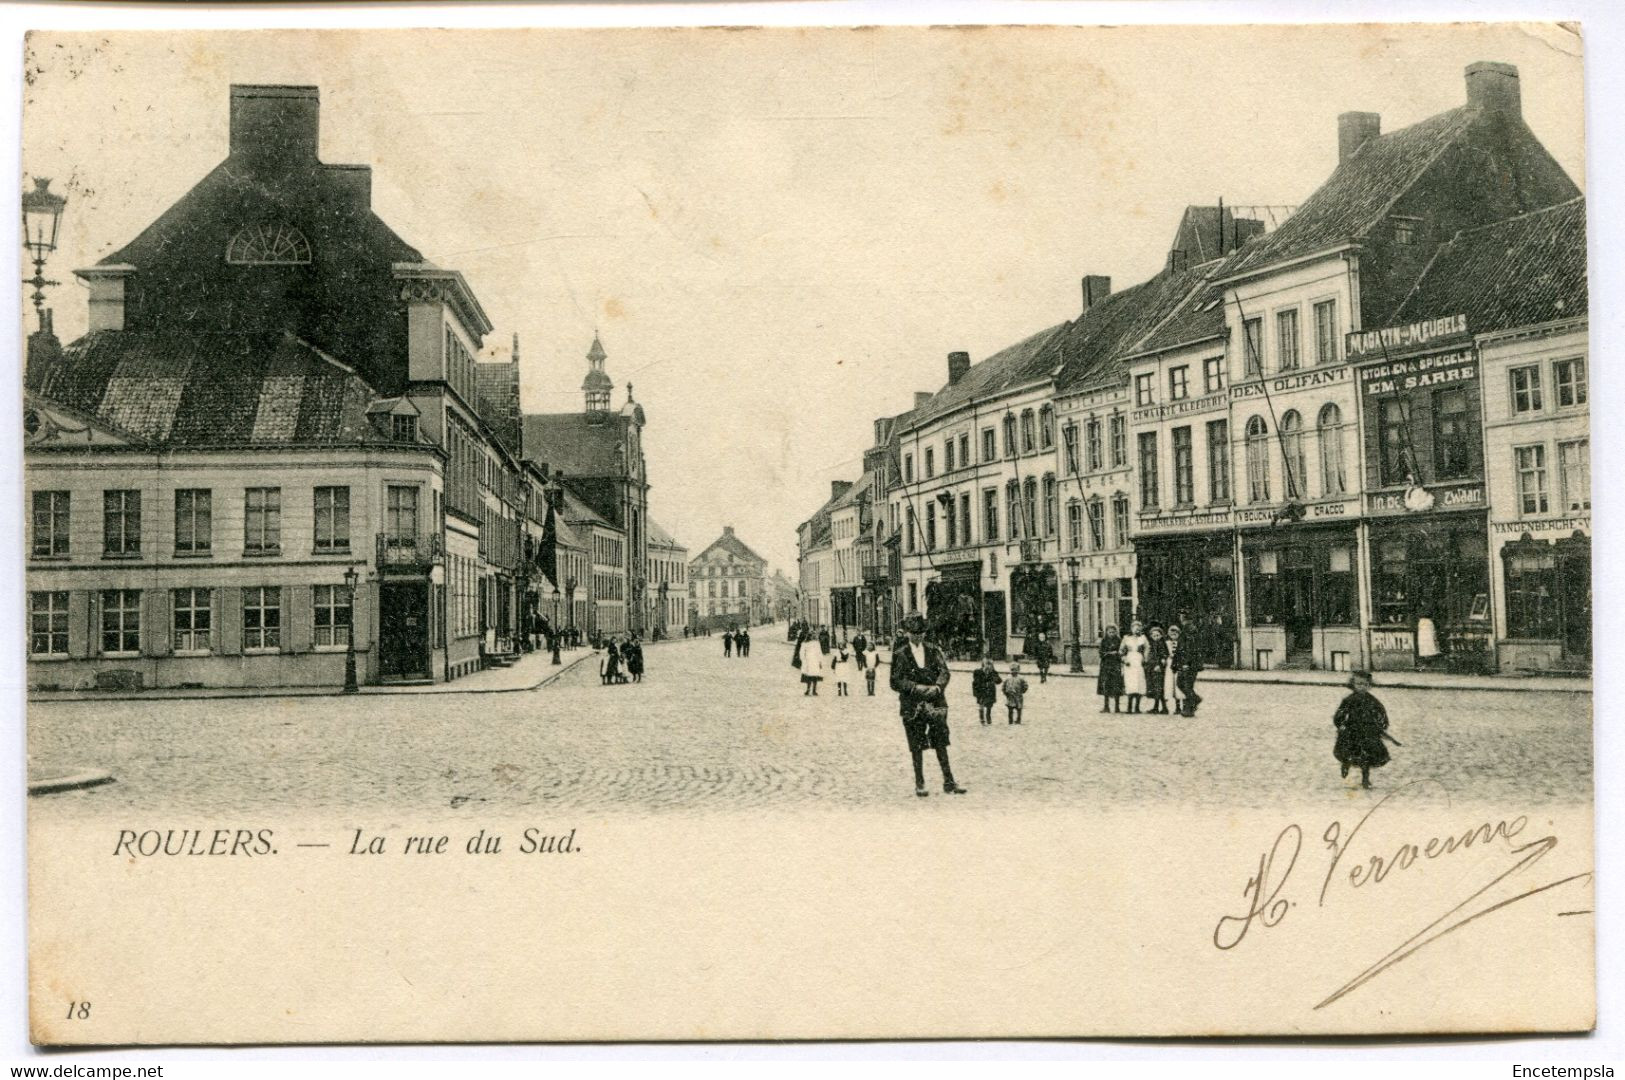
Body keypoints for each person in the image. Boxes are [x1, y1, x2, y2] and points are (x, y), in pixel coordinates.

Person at [890, 614, 966, 797]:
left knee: (941, 741)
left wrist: (938, 688)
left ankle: (949, 781)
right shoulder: (900, 654)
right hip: (912, 705)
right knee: (916, 745)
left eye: (921, 633)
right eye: (914, 633)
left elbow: (944, 671)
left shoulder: (933, 650)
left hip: (935, 703)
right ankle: (920, 782)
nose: (918, 636)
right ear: (908, 633)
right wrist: (915, 688)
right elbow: (895, 681)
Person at [1333, 670, 1392, 789]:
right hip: (1352, 731)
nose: (1362, 687)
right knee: (1349, 752)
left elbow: (1381, 712)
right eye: (1359, 684)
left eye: (1365, 684)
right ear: (1353, 685)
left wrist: (1383, 724)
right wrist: (1341, 725)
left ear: (1369, 686)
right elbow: (1339, 715)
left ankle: (1365, 780)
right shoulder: (1349, 700)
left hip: (1368, 732)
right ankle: (1346, 764)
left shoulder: (1372, 700)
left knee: (1366, 757)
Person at [1119, 619, 1148, 713]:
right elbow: (1121, 650)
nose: (1137, 630)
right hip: (1130, 661)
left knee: (1139, 683)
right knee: (1130, 683)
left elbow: (1148, 649)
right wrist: (1124, 659)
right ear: (1131, 629)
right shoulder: (1126, 638)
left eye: (1138, 628)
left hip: (1139, 661)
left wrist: (1145, 658)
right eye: (1135, 628)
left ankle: (1137, 707)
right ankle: (1129, 707)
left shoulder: (1143, 638)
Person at [1096, 625, 1124, 712]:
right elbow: (1101, 653)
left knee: (1116, 685)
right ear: (1106, 632)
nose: (1112, 634)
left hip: (1115, 665)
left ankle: (1117, 707)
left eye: (1113, 632)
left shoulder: (1119, 641)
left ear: (1116, 632)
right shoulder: (1104, 641)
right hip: (1106, 665)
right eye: (1110, 632)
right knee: (1106, 686)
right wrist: (1109, 653)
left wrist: (1118, 654)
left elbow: (1122, 651)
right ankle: (1106, 706)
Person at [1144, 623, 1169, 715]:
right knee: (1157, 688)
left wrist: (1160, 664)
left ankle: (1157, 707)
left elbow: (1164, 656)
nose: (1156, 637)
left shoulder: (1161, 644)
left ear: (1161, 635)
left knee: (1158, 688)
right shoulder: (1152, 644)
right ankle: (1163, 708)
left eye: (1158, 635)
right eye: (1154, 635)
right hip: (1152, 668)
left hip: (1158, 668)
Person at [971, 657, 1001, 725]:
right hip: (981, 691)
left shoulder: (993, 672)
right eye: (987, 664)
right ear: (983, 664)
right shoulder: (978, 672)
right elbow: (975, 683)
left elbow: (999, 681)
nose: (988, 666)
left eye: (990, 664)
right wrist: (976, 693)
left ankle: (988, 717)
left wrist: (994, 673)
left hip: (990, 692)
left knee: (989, 705)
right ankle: (982, 719)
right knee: (981, 705)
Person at [797, 628, 826, 695]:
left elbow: (819, 652)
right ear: (809, 636)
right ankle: (809, 690)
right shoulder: (805, 644)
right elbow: (801, 653)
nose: (813, 636)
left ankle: (814, 690)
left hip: (815, 661)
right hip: (808, 661)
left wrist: (820, 661)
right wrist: (803, 660)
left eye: (814, 635)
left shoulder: (817, 643)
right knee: (809, 676)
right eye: (812, 635)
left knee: (814, 675)